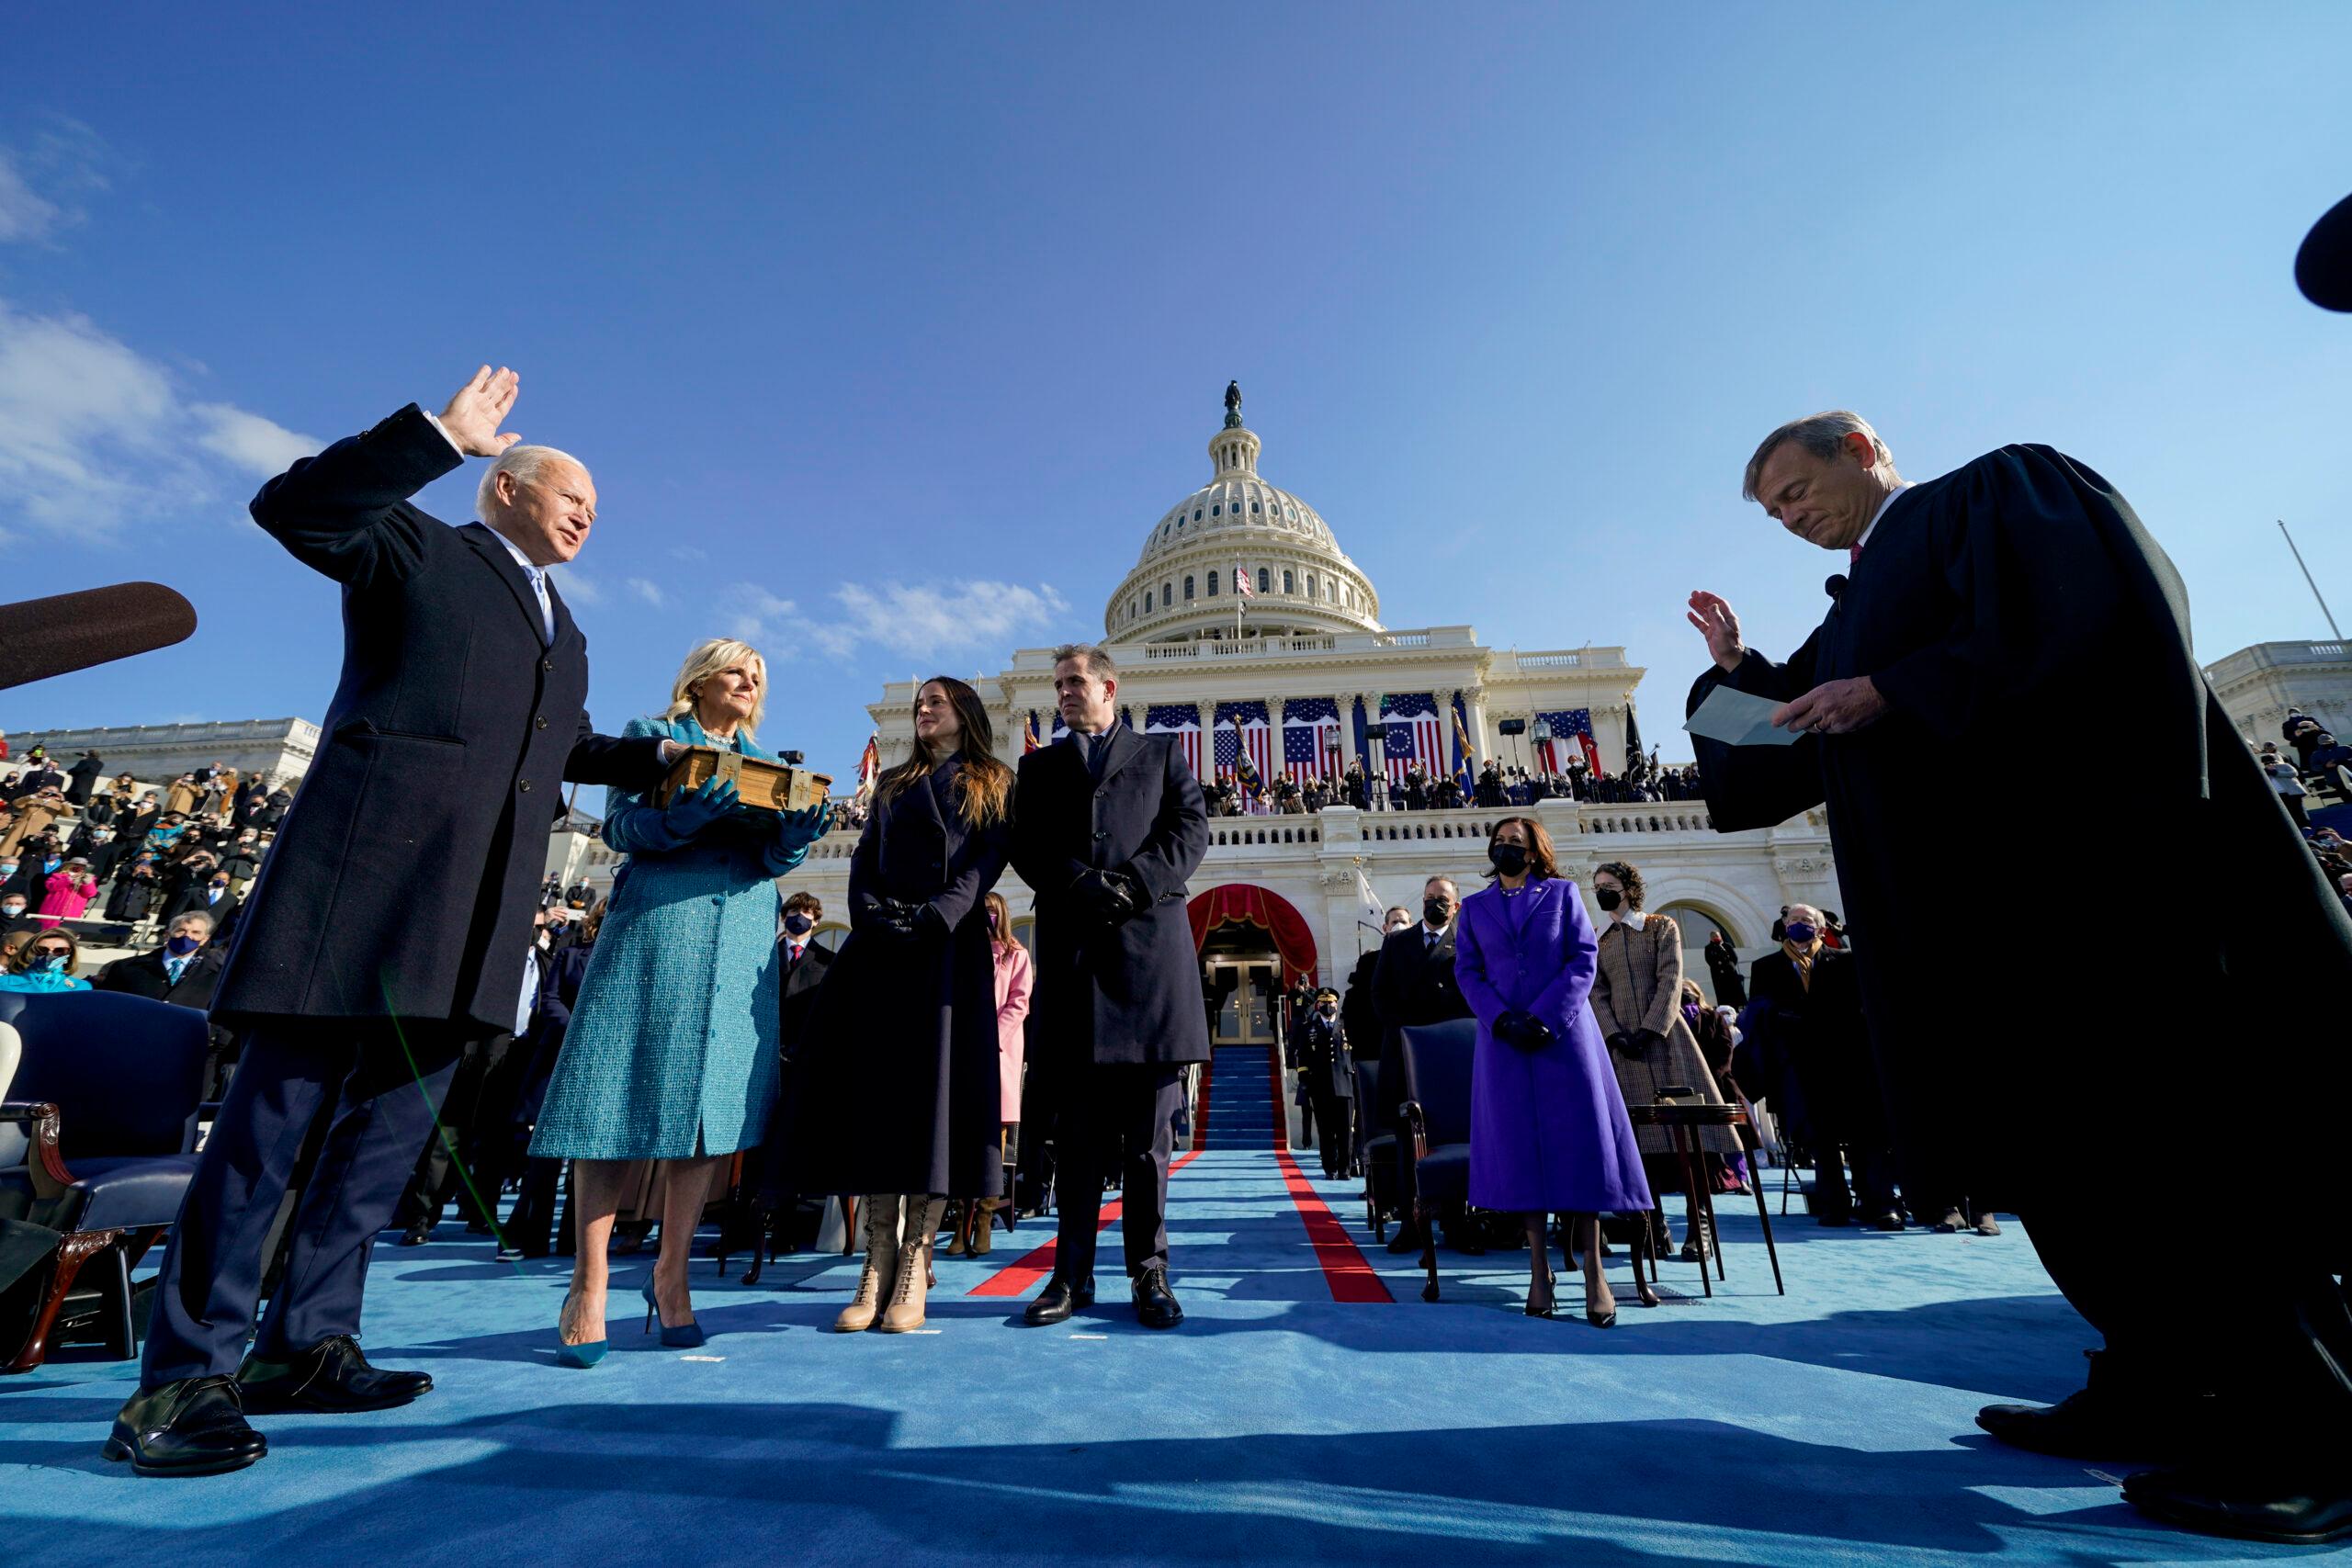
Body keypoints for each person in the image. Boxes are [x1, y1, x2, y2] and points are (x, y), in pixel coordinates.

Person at [1688, 409, 2352, 1540]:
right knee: (2070, 1170)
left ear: (1857, 445)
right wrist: (1743, 677)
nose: (1788, 520)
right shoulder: (1852, 613)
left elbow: (2103, 621)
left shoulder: (1996, 496)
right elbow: (1782, 750)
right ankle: (2153, 1385)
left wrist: (1898, 691)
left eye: (1795, 491)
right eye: (1771, 514)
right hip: (1974, 938)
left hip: (2085, 905)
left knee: (2178, 1159)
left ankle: (2316, 1433)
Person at [107, 367, 685, 1479]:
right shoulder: (415, 548)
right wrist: (434, 436)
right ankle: (181, 1376)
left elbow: (551, 752)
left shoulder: (564, 632)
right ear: (505, 487)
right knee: (265, 1143)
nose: (587, 516)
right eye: (572, 494)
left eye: (598, 510)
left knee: (374, 1156)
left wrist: (656, 759)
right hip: (356, 902)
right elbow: (296, 507)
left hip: (467, 926)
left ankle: (307, 1345)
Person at [531, 637, 829, 1359]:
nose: (750, 684)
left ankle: (672, 1274)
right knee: (615, 1094)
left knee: (710, 1106)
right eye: (737, 671)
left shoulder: (771, 763)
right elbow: (622, 825)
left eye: (759, 676)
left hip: (740, 931)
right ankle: (590, 1281)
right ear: (698, 681)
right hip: (662, 921)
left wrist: (792, 842)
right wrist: (676, 822)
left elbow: (773, 854)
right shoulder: (654, 738)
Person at [798, 675, 1012, 1333]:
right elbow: (864, 859)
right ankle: (878, 1257)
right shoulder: (892, 783)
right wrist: (868, 915)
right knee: (883, 1102)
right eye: (920, 704)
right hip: (885, 954)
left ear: (964, 714)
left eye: (935, 703)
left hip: (947, 953)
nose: (923, 710)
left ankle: (916, 1259)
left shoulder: (995, 781)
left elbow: (986, 864)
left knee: (934, 1104)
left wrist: (939, 916)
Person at [1010, 643, 1209, 1330]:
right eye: (1058, 683)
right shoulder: (1036, 767)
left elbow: (1190, 828)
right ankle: (1071, 1272)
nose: (1065, 692)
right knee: (1080, 1139)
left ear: (1108, 687)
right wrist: (1077, 881)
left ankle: (1149, 1271)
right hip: (1075, 967)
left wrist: (1134, 881)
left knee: (1150, 1144)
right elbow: (1026, 843)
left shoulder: (1160, 754)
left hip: (1150, 963)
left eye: (1076, 682)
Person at [1453, 818, 1651, 1324]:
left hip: (1564, 1038)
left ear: (1536, 851)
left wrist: (1547, 1016)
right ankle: (1539, 1269)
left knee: (1578, 1148)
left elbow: (1583, 958)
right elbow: (1467, 971)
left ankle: (1594, 1272)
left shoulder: (1562, 895)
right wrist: (1499, 1018)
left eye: (1515, 844)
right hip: (1504, 1043)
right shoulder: (1473, 908)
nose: (1505, 850)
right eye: (1499, 844)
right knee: (1521, 1151)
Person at [1585, 861, 1737, 1260]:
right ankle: (1653, 1226)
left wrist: (1652, 1029)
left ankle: (1700, 1225)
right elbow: (1596, 992)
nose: (1603, 891)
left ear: (1629, 888)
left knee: (1691, 1138)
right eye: (1598, 885)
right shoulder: (1600, 939)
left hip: (1669, 1043)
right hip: (1623, 1050)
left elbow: (1671, 979)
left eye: (1610, 884)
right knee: (1639, 1142)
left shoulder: (1660, 926)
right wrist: (1615, 1034)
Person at [1372, 876, 1475, 1254]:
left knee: (1452, 1139)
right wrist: (1412, 1034)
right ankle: (1411, 1225)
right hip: (1405, 1057)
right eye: (1429, 898)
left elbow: (1473, 996)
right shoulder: (1397, 942)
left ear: (1456, 906)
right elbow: (1379, 995)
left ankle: (1457, 1223)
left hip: (1451, 1061)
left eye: (1442, 899)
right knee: (1406, 1145)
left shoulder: (1468, 944)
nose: (1435, 904)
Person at [946, 887, 1031, 1258]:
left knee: (991, 1149)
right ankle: (959, 1225)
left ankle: (984, 1223)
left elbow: (1018, 1003)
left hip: (998, 1057)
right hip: (965, 1058)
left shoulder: (1017, 955)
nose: (988, 918)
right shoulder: (963, 954)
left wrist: (989, 1034)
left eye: (992, 912)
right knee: (961, 1147)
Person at [95, 909, 237, 1091]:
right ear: (167, 934)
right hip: (128, 1056)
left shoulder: (220, 976)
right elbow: (107, 1010)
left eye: (195, 933)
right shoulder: (127, 968)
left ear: (205, 939)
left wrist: (214, 1042)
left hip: (185, 1060)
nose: (187, 936)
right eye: (181, 930)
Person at [1295, 987, 1354, 1179]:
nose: (1328, 1006)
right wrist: (1304, 1080)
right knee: (1325, 1130)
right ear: (1317, 1005)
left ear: (1337, 1004)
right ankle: (1330, 1168)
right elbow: (1302, 1057)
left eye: (1332, 1003)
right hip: (1320, 1086)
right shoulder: (1308, 1028)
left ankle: (1345, 1168)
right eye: (1325, 1003)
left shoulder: (1348, 1025)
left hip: (1345, 1084)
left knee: (1345, 1130)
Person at [0, 927, 88, 992]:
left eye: (59, 950)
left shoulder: (81, 987)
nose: (50, 954)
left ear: (70, 955)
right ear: (29, 952)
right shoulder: (3, 983)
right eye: (42, 950)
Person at [35, 855, 100, 929]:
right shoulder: (58, 876)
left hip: (72, 913)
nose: (78, 868)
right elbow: (51, 887)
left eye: (82, 867)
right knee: (46, 929)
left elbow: (91, 894)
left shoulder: (88, 879)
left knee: (65, 932)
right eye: (76, 866)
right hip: (52, 911)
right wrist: (68, 879)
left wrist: (87, 883)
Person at [1703, 928, 1747, 1006]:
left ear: (1720, 936)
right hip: (1718, 975)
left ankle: (1739, 1007)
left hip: (1730, 973)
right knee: (1723, 994)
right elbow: (1709, 960)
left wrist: (1730, 966)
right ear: (1711, 938)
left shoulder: (1727, 946)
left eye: (1716, 935)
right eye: (1713, 936)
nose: (1715, 937)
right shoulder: (1708, 948)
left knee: (1736, 992)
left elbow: (1734, 958)